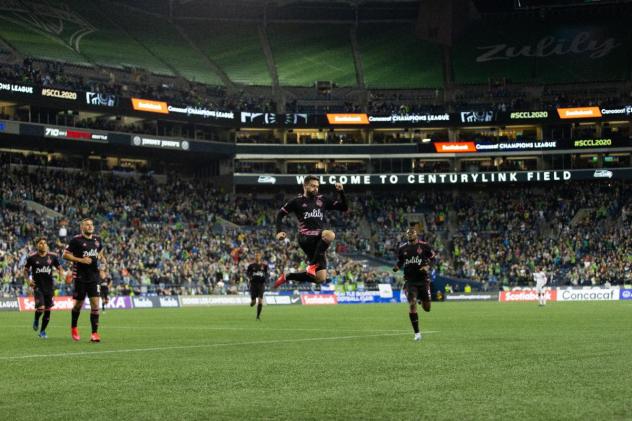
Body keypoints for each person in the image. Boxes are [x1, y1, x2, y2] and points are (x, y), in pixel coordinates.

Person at [273, 175, 348, 287]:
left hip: (318, 240)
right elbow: (280, 214)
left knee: (320, 278)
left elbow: (344, 207)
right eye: (313, 186)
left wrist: (341, 191)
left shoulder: (322, 200)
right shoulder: (296, 201)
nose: (316, 188)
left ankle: (287, 276)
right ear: (305, 186)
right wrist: (279, 231)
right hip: (305, 237)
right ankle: (312, 265)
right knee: (330, 235)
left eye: (317, 186)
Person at [63, 218, 106, 342]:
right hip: (80, 276)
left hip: (94, 277)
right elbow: (65, 255)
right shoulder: (76, 240)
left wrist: (103, 263)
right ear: (82, 227)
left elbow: (101, 253)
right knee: (78, 305)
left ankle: (94, 334)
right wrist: (81, 260)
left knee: (95, 304)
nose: (90, 226)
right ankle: (74, 327)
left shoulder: (97, 240)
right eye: (87, 225)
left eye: (91, 224)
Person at [393, 227, 435, 341]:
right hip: (410, 281)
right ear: (406, 235)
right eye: (408, 233)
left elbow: (433, 258)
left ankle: (421, 299)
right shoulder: (402, 248)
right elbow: (401, 260)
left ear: (416, 234)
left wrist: (427, 266)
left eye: (412, 233)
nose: (410, 235)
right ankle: (417, 333)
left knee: (427, 308)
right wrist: (397, 266)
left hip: (423, 280)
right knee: (412, 303)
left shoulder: (424, 246)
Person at [23, 238, 65, 339]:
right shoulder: (32, 257)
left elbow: (59, 268)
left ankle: (42, 331)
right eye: (41, 243)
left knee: (47, 310)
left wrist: (61, 274)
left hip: (49, 288)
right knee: (41, 308)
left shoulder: (53, 256)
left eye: (45, 243)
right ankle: (36, 319)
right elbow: (25, 270)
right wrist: (28, 282)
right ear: (37, 245)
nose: (43, 245)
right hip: (38, 287)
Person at [246, 252, 268, 320]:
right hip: (253, 285)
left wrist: (265, 279)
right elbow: (247, 273)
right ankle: (252, 302)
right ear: (255, 257)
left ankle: (258, 316)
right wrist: (250, 277)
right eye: (256, 256)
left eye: (258, 256)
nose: (257, 257)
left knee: (260, 300)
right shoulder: (251, 266)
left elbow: (266, 273)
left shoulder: (264, 266)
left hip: (261, 285)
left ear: (260, 257)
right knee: (253, 302)